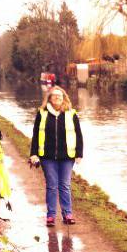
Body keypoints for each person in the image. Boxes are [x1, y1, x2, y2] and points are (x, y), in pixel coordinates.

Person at [29, 86, 83, 227]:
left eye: (60, 96)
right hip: (47, 157)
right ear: (50, 98)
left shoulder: (71, 113)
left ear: (64, 98)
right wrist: (33, 154)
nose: (57, 98)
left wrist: (79, 154)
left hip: (67, 156)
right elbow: (36, 135)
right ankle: (51, 216)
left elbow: (78, 135)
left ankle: (67, 214)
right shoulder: (42, 113)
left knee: (65, 185)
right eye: (54, 96)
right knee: (52, 186)